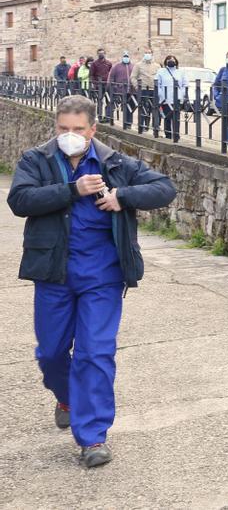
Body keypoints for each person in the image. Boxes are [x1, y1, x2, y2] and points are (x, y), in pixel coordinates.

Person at [7, 95, 176, 468]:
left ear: (92, 129)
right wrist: (73, 189)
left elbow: (164, 188)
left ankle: (93, 436)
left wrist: (122, 196)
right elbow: (19, 200)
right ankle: (66, 397)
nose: (69, 135)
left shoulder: (115, 162)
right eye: (63, 129)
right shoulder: (37, 159)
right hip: (53, 272)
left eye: (77, 129)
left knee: (95, 353)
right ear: (56, 127)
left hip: (102, 275)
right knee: (51, 353)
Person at [156, 55, 188, 142]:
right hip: (165, 99)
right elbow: (157, 84)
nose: (171, 61)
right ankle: (168, 135)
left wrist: (182, 94)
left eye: (173, 60)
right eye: (169, 59)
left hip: (177, 99)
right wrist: (161, 95)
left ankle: (176, 135)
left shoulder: (180, 72)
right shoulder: (161, 71)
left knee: (176, 118)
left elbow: (185, 84)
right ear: (166, 61)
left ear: (176, 61)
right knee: (167, 118)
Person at [131, 51, 159, 134]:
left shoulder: (157, 66)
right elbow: (133, 77)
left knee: (153, 108)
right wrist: (137, 87)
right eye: (146, 52)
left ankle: (153, 127)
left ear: (152, 54)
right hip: (143, 89)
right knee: (142, 108)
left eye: (149, 53)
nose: (147, 54)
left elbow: (159, 76)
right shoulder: (138, 65)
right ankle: (141, 125)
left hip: (153, 89)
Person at [106, 51, 134, 129]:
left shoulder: (133, 66)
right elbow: (111, 77)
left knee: (129, 108)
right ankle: (108, 118)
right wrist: (112, 86)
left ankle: (128, 123)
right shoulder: (116, 66)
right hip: (118, 90)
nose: (126, 58)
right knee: (112, 104)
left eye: (127, 56)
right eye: (125, 56)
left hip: (130, 91)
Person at [91, 49, 112, 121]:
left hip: (107, 84)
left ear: (105, 54)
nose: (101, 54)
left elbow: (110, 73)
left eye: (102, 53)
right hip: (99, 85)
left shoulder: (109, 63)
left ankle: (108, 116)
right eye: (99, 53)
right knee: (100, 101)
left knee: (109, 100)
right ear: (97, 54)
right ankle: (99, 115)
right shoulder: (94, 63)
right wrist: (94, 83)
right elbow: (91, 75)